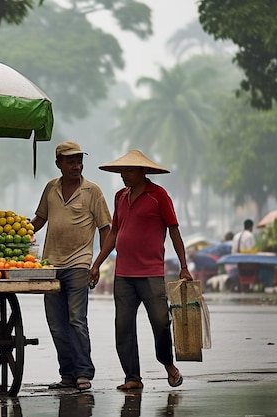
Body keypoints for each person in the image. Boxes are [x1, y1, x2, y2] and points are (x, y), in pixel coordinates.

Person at [89, 149, 192, 390]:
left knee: (160, 322)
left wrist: (184, 266)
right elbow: (114, 232)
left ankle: (169, 365)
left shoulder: (159, 195)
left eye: (129, 170)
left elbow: (174, 230)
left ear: (143, 172)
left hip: (151, 272)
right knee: (123, 326)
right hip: (123, 274)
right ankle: (132, 377)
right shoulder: (120, 197)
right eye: (122, 171)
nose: (124, 175)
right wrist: (97, 264)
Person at [31, 141, 112, 391]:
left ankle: (83, 374)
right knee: (56, 325)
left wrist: (97, 264)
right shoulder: (50, 188)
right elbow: (40, 219)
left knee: (77, 320)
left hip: (78, 265)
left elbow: (106, 230)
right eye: (70, 161)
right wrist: (17, 231)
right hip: (50, 266)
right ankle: (67, 374)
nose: (76, 166)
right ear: (59, 164)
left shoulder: (92, 191)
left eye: (79, 160)